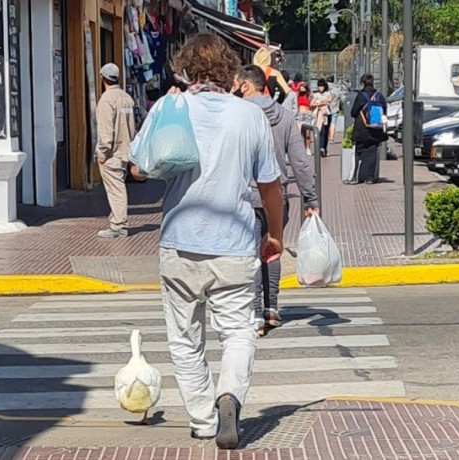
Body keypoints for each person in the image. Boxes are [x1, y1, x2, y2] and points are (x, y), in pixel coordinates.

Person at [129, 34, 284, 450]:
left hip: (179, 242)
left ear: (184, 68)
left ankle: (202, 420)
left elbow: (138, 169)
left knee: (184, 337)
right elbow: (270, 186)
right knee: (237, 332)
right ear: (230, 72)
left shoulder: (169, 107)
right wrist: (275, 234)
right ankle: (229, 396)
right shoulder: (249, 115)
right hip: (234, 243)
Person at [231, 64, 319, 336]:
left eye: (236, 83)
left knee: (252, 253)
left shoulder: (238, 114)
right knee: (273, 249)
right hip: (277, 195)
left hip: (246, 195)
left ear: (247, 85)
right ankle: (272, 309)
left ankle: (255, 315)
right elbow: (301, 161)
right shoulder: (283, 115)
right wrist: (310, 197)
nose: (232, 88)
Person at [95, 63, 136, 237]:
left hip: (112, 154)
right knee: (118, 187)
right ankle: (116, 218)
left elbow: (106, 132)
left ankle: (119, 225)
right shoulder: (127, 98)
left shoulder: (106, 100)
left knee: (116, 189)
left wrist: (102, 153)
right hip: (126, 150)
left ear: (102, 78)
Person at [348, 73, 388, 184]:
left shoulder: (361, 96)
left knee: (358, 152)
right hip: (376, 130)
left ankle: (356, 177)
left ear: (363, 83)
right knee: (372, 152)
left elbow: (353, 113)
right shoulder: (379, 96)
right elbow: (384, 111)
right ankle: (370, 177)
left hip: (362, 130)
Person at [312, 79, 332, 156]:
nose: (320, 88)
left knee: (326, 131)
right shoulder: (316, 94)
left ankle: (324, 148)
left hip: (327, 114)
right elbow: (311, 103)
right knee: (320, 130)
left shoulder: (328, 93)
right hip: (319, 114)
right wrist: (319, 104)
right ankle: (320, 147)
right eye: (319, 86)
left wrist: (321, 101)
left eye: (321, 86)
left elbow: (330, 100)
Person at [294, 82, 315, 151]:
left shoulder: (308, 95)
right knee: (301, 133)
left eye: (303, 87)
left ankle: (308, 148)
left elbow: (313, 100)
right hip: (300, 114)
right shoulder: (297, 95)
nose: (302, 88)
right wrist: (299, 85)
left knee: (308, 134)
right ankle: (302, 148)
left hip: (307, 114)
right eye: (301, 87)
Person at [327, 76, 343, 144]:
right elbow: (341, 99)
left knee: (326, 124)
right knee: (333, 123)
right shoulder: (337, 89)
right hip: (335, 108)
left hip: (326, 108)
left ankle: (326, 137)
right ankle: (331, 138)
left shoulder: (325, 88)